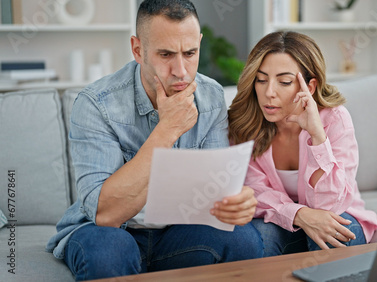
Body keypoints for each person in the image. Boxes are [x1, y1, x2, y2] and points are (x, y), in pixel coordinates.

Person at [46, 0, 263, 280]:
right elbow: (106, 214)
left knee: (243, 239)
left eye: (190, 53)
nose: (181, 71)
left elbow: (215, 194)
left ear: (199, 44)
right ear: (138, 50)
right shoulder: (96, 104)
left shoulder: (211, 97)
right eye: (165, 54)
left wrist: (237, 201)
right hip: (107, 231)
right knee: (109, 251)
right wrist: (166, 131)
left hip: (175, 232)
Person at [228, 31, 377, 257]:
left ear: (310, 86)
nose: (269, 93)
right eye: (261, 79)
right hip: (278, 219)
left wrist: (318, 137)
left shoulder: (335, 119)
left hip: (337, 211)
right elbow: (255, 192)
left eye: (285, 82)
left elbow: (329, 205)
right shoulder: (246, 122)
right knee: (260, 239)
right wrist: (300, 215)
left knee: (334, 234)